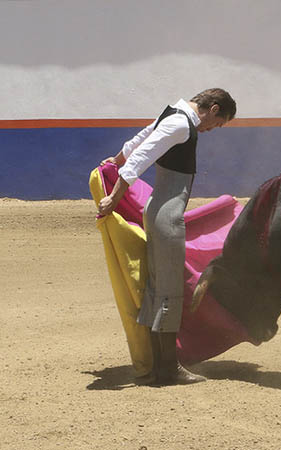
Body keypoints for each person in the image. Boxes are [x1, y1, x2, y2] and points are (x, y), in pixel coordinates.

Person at [98, 88, 237, 385]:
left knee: (157, 287)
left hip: (157, 211)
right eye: (217, 123)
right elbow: (141, 157)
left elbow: (139, 140)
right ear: (213, 109)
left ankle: (158, 366)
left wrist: (117, 159)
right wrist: (114, 196)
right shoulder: (180, 124)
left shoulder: (173, 113)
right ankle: (169, 369)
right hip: (167, 217)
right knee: (169, 291)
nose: (212, 130)